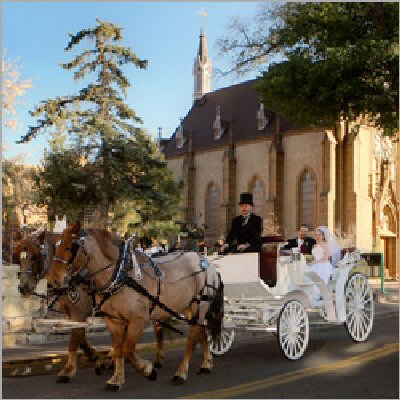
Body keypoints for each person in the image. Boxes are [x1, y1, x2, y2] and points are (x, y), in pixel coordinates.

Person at [309, 226, 342, 300]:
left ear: (323, 236)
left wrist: (315, 262)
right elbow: (315, 256)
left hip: (324, 265)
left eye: (319, 235)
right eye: (316, 235)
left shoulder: (325, 245)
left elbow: (326, 258)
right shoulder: (315, 245)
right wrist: (313, 262)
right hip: (315, 264)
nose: (318, 237)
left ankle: (318, 294)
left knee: (317, 273)